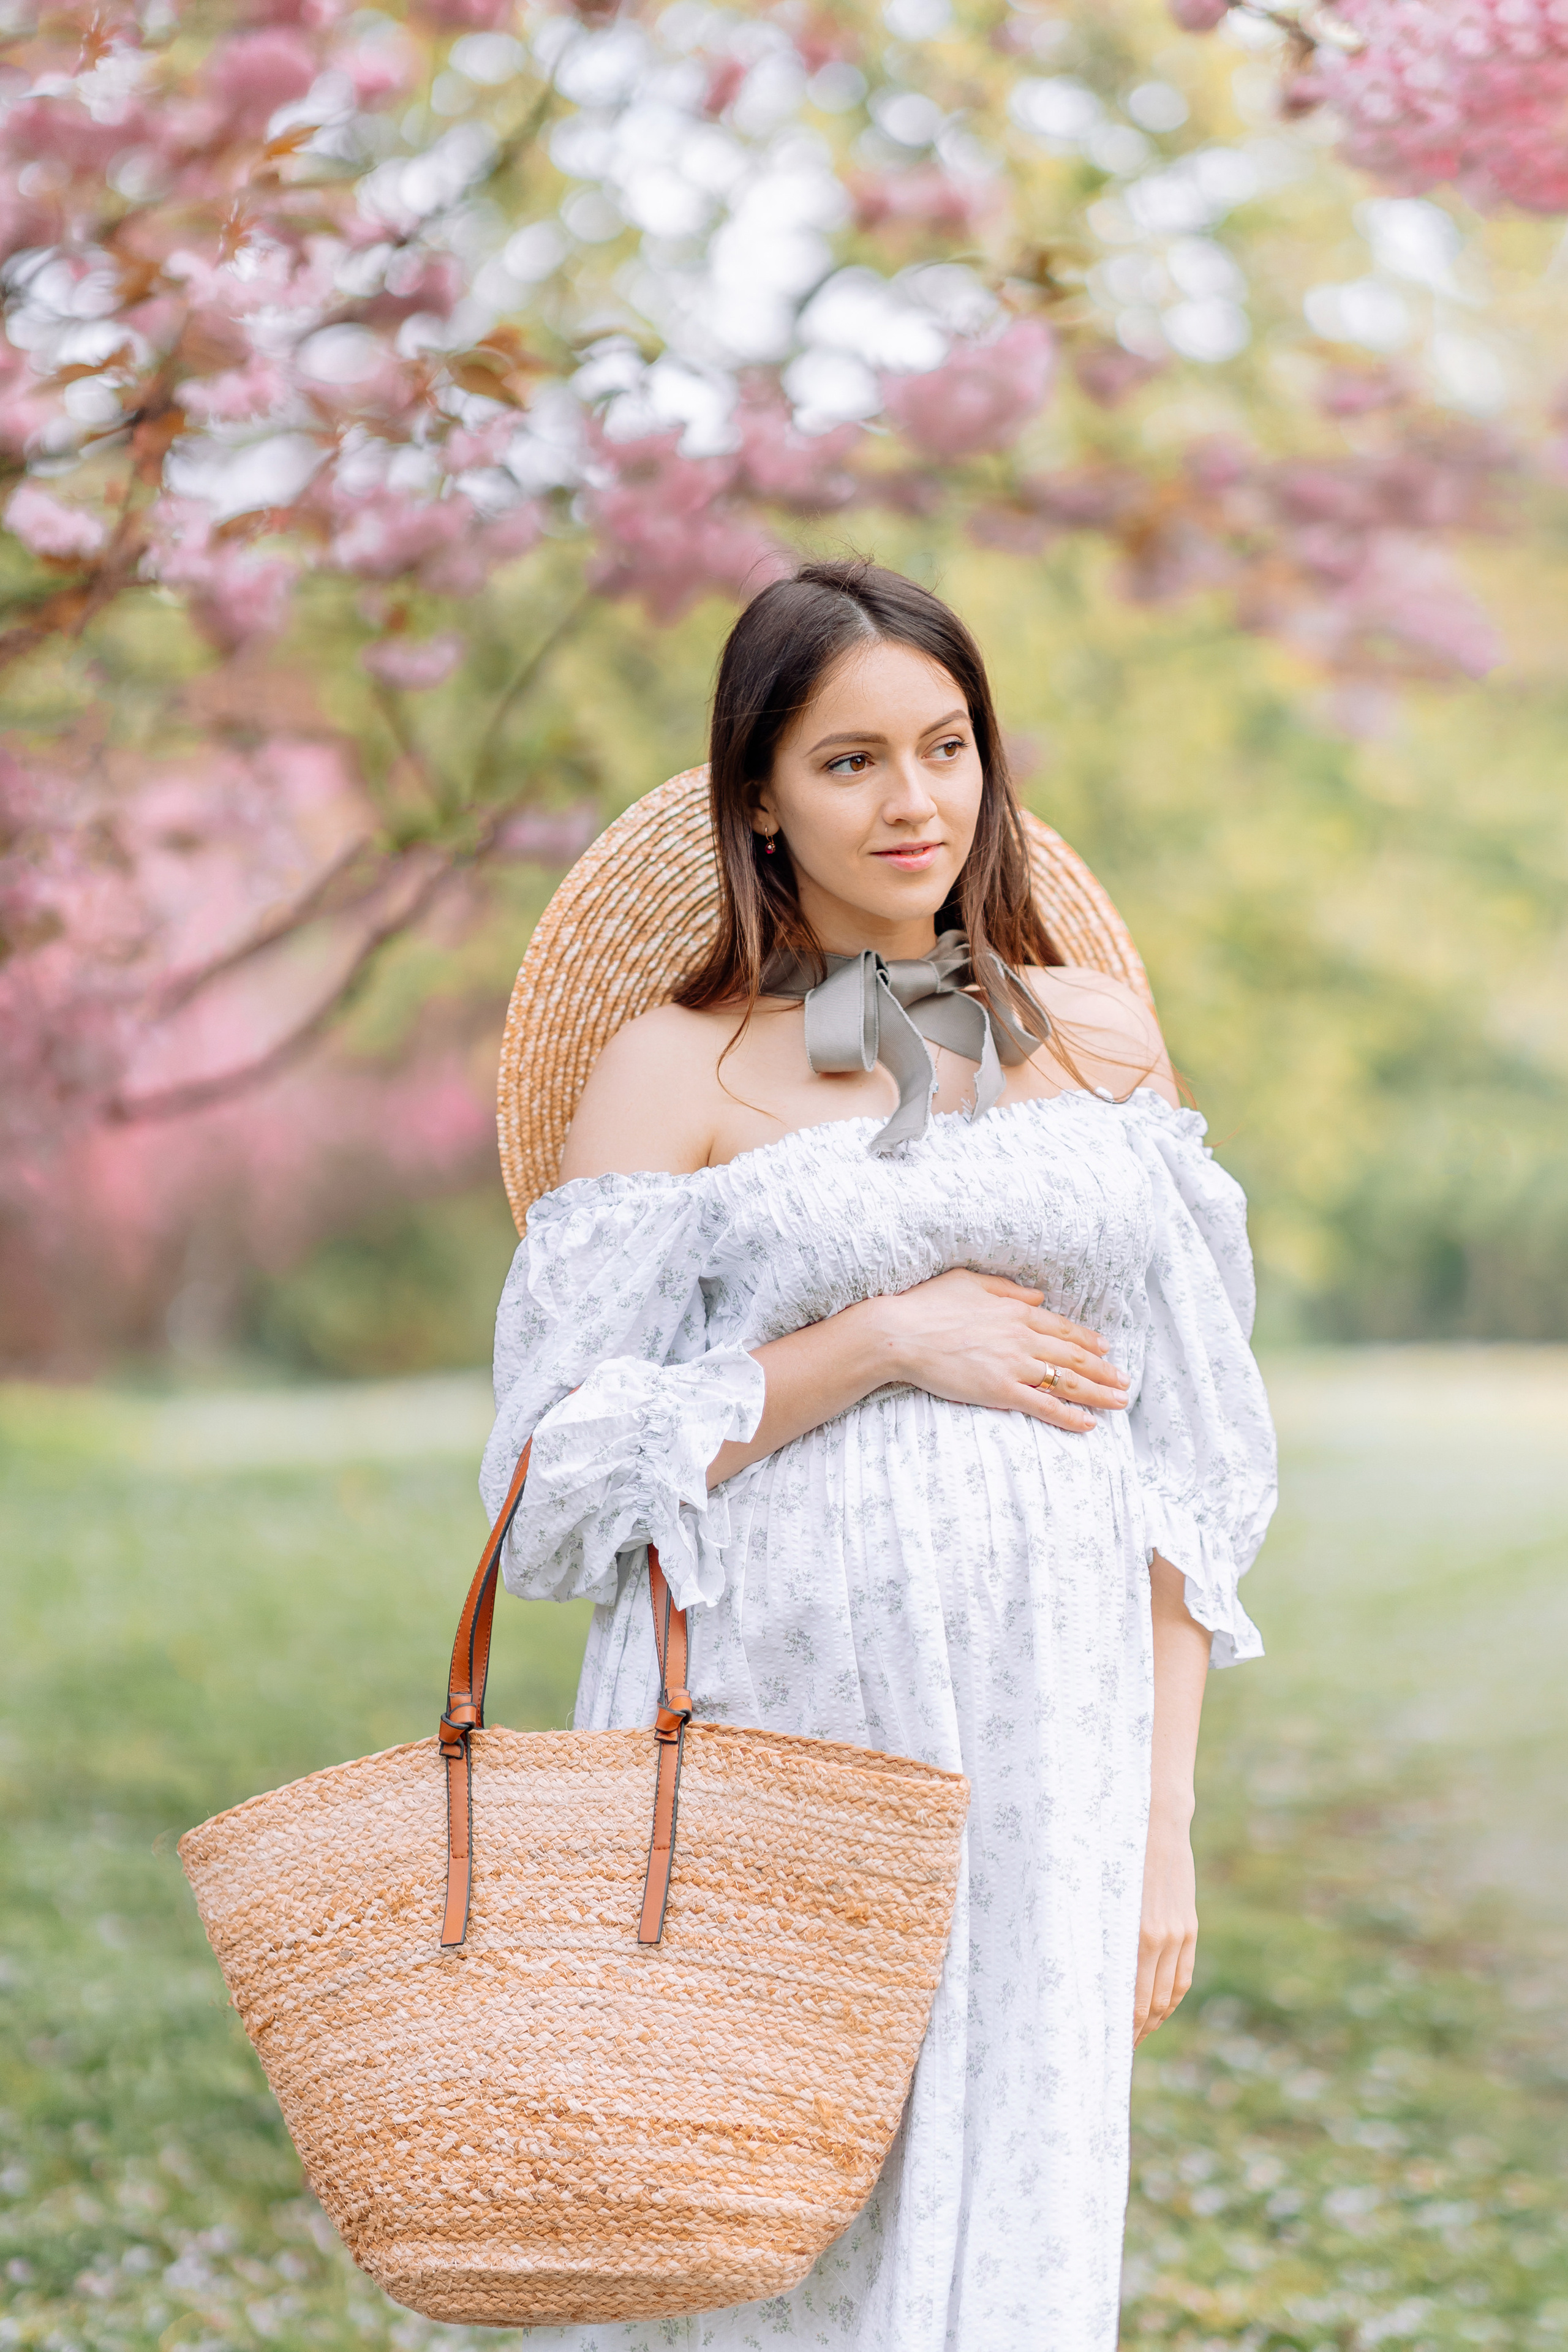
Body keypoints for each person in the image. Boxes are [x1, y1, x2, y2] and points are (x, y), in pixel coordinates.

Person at [480, 558, 1276, 2351]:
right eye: (850, 761)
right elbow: (552, 1485)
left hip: (1053, 1743)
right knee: (769, 2237)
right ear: (759, 794)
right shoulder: (675, 1067)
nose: (915, 799)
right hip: (768, 1735)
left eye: (946, 745)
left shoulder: (1098, 1040)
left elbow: (1185, 1469)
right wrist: (878, 1343)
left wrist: (1162, 1825)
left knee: (1011, 2230)